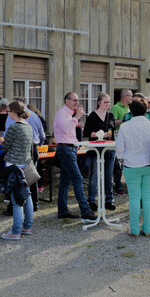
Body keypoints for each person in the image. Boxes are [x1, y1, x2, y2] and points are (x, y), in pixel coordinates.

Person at [116, 99, 150, 237]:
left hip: (131, 165)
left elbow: (119, 148)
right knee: (148, 197)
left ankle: (134, 229)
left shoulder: (125, 126)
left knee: (134, 198)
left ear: (130, 111)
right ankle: (147, 229)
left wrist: (121, 157)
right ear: (146, 109)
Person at [53, 92, 97, 220]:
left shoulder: (69, 115)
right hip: (65, 149)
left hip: (70, 149)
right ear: (66, 101)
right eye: (74, 100)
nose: (77, 103)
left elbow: (69, 131)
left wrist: (77, 122)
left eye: (78, 100)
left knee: (65, 181)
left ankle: (62, 211)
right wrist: (76, 117)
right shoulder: (62, 113)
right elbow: (66, 129)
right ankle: (85, 210)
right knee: (77, 179)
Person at [122, 93, 150, 211]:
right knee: (140, 192)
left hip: (148, 156)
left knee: (148, 188)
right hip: (136, 157)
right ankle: (143, 211)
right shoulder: (127, 116)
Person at [1, 100, 35, 240]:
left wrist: (3, 143)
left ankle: (15, 232)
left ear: (13, 112)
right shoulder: (28, 126)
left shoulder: (14, 128)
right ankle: (27, 226)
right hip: (26, 165)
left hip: (14, 167)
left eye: (9, 111)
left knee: (17, 201)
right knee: (27, 196)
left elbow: (6, 146)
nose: (8, 113)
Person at [82, 92, 116, 211]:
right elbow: (86, 132)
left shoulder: (110, 115)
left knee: (109, 175)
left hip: (109, 148)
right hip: (96, 149)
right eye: (105, 102)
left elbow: (112, 131)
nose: (107, 104)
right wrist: (99, 135)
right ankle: (91, 200)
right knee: (94, 175)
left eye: (109, 102)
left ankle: (109, 200)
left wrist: (110, 138)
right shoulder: (92, 115)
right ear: (99, 102)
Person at [111, 89, 133, 195]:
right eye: (130, 96)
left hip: (129, 139)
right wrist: (125, 120)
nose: (132, 98)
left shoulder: (129, 108)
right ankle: (118, 186)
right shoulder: (115, 108)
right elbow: (112, 123)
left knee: (127, 163)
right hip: (119, 138)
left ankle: (127, 185)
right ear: (125, 96)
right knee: (118, 164)